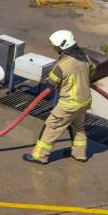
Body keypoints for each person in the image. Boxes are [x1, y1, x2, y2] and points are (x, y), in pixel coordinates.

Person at [24, 29, 93, 165]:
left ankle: (40, 156)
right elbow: (92, 70)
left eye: (55, 46)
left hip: (68, 104)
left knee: (52, 127)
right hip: (84, 101)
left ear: (62, 46)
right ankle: (79, 154)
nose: (54, 48)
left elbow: (51, 82)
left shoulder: (62, 65)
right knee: (78, 127)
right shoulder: (85, 57)